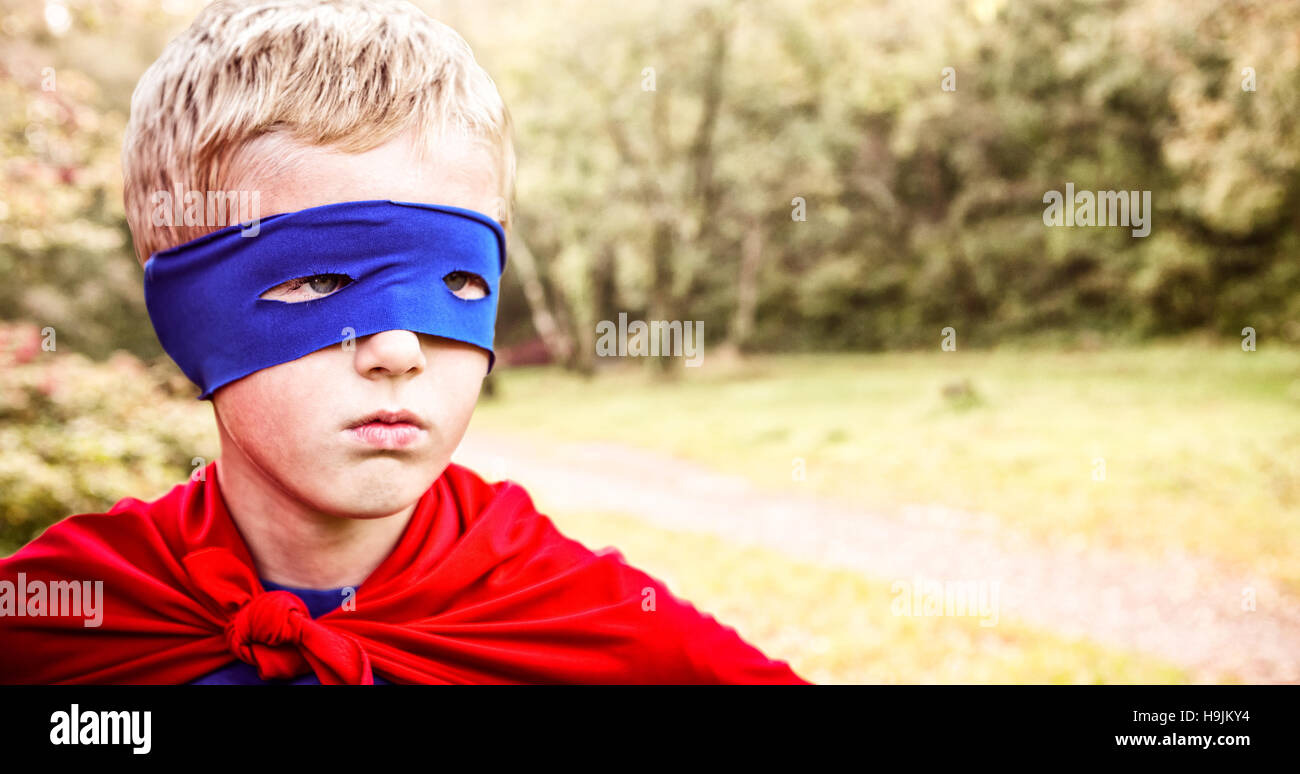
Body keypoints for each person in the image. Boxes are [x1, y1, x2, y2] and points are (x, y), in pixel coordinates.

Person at [0, 0, 809, 685]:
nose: (397, 347)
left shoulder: (587, 622)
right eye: (319, 282)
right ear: (188, 316)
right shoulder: (61, 622)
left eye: (457, 285)